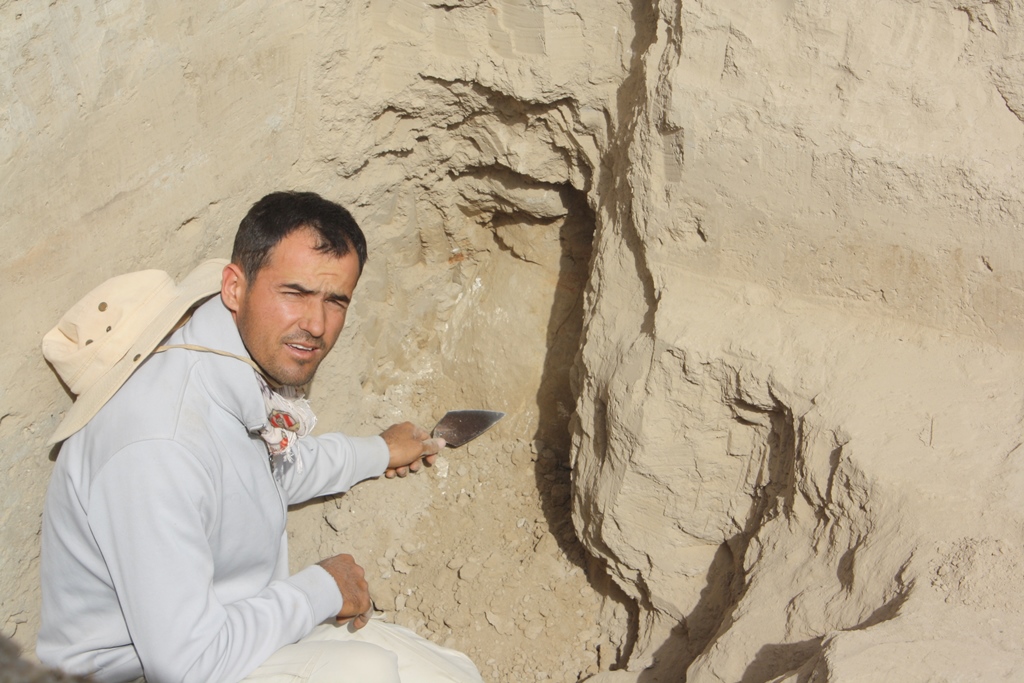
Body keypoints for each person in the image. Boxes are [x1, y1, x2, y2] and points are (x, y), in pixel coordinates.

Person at [37, 191, 482, 683]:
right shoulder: (158, 447)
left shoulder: (229, 365)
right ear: (234, 287)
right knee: (366, 672)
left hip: (240, 630)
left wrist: (378, 451)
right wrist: (322, 588)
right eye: (295, 293)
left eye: (335, 300)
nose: (316, 325)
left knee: (451, 673)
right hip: (154, 669)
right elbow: (187, 664)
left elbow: (261, 474)